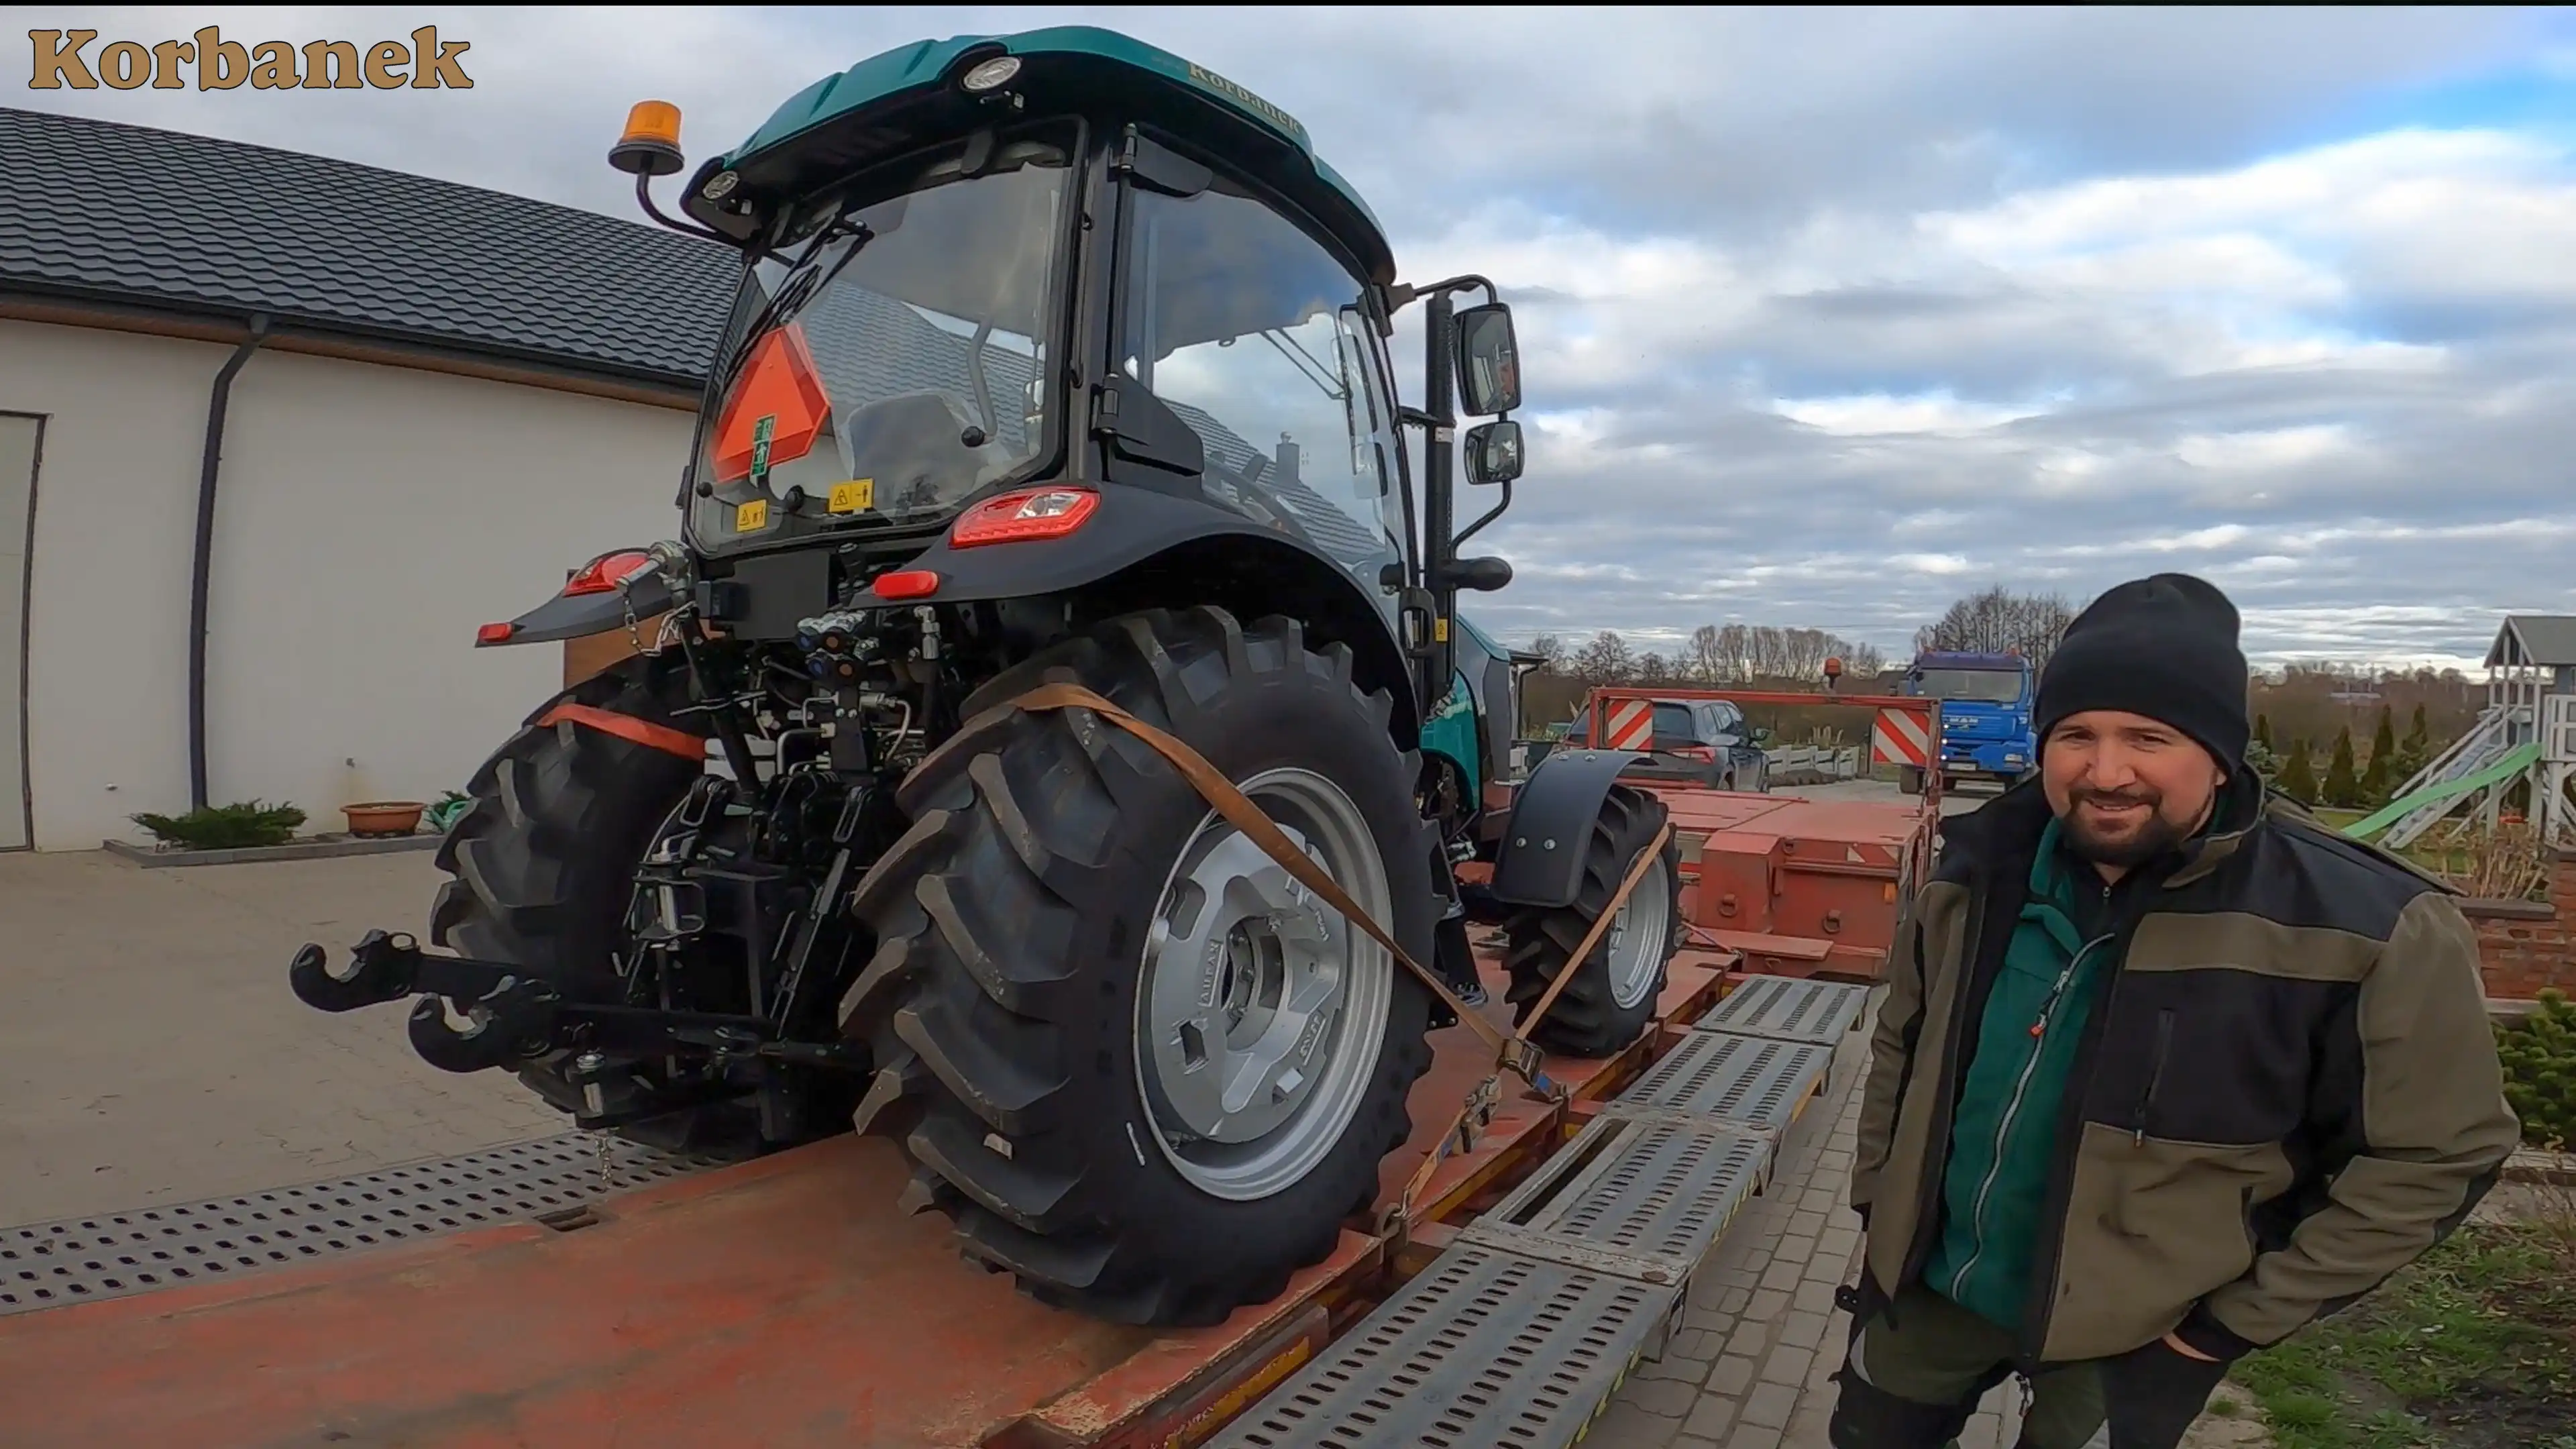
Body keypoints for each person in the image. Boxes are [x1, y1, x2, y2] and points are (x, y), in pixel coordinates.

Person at [1829, 574, 2520, 1449]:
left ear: (2221, 757)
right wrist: (1879, 1204)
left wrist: (2223, 1332)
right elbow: (1902, 1043)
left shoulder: (2368, 926)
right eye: (2076, 735)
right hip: (1929, 1296)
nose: (2106, 772)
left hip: (2135, 1339)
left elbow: (2438, 1154)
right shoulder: (1974, 874)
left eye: (2148, 738)